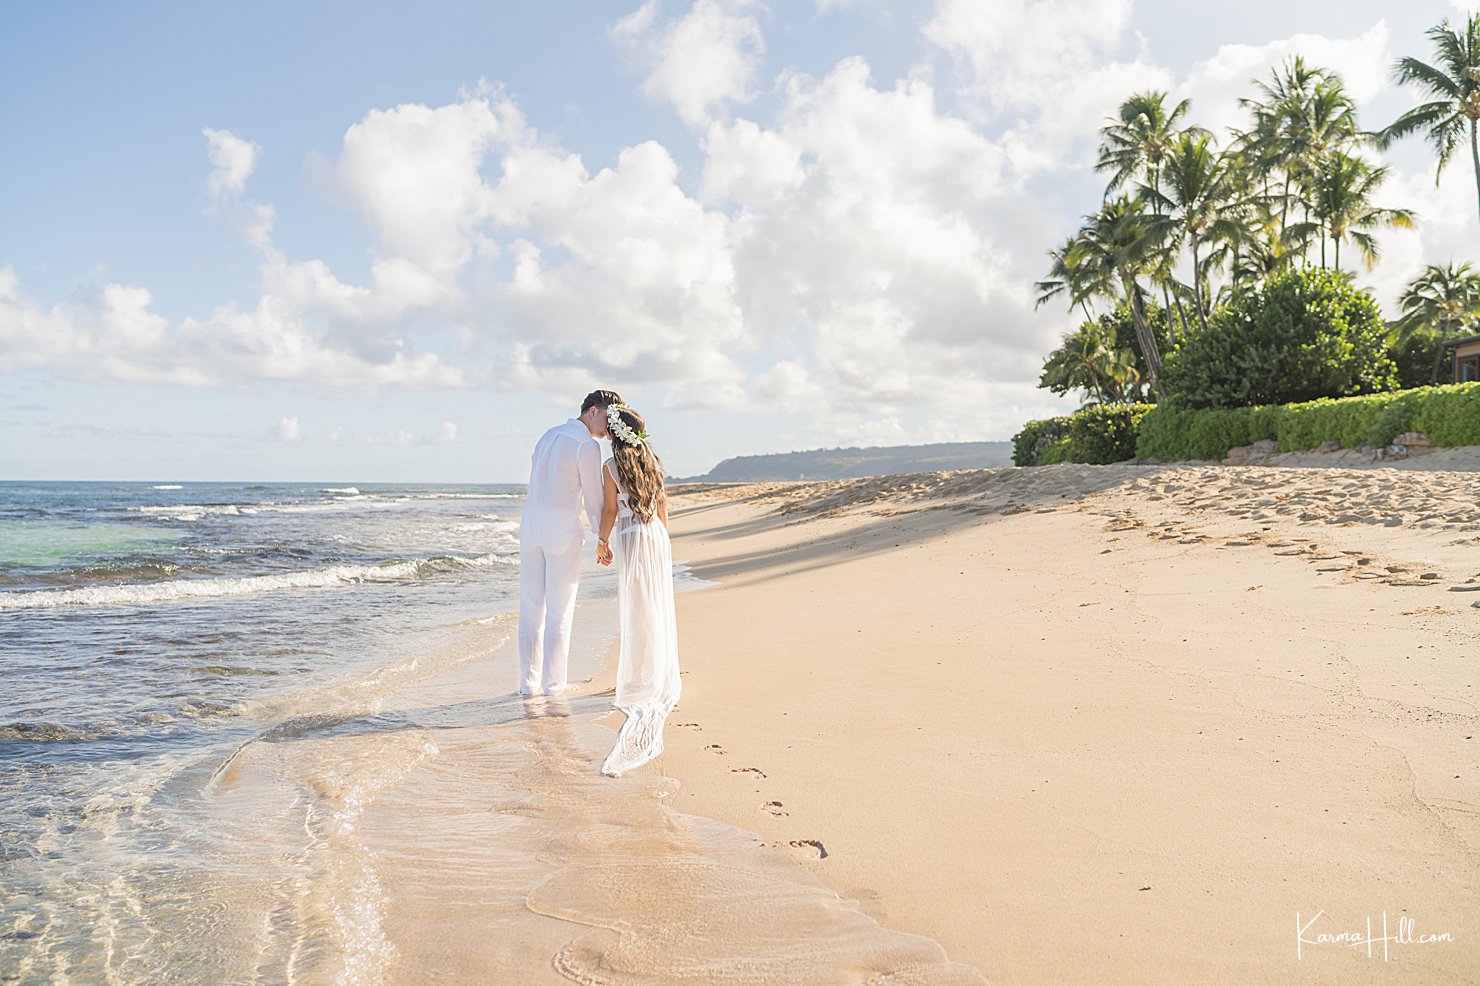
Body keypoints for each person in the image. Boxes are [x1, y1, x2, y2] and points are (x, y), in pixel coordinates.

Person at [595, 402, 682, 776]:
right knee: (656, 606)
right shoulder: (652, 460)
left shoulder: (610, 467)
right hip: (656, 537)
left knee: (638, 609)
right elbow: (661, 504)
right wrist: (664, 539)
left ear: (614, 433)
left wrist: (602, 541)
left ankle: (641, 677)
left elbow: (612, 511)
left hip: (632, 537)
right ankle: (653, 674)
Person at [517, 389, 621, 698]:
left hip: (530, 529)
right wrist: (602, 539)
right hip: (561, 532)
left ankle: (527, 684)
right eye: (607, 417)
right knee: (559, 611)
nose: (609, 427)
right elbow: (593, 498)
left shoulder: (548, 435)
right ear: (592, 411)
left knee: (531, 608)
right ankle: (554, 685)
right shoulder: (586, 445)